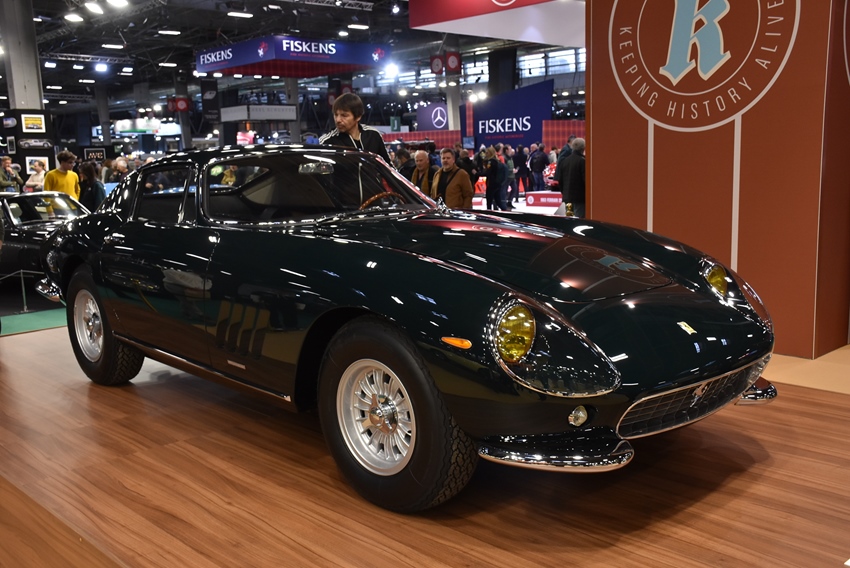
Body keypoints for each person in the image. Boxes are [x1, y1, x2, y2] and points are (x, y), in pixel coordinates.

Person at [319, 92, 392, 164]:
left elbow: (388, 167)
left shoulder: (373, 135)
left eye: (344, 115)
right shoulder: (327, 142)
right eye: (336, 114)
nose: (338, 120)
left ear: (358, 117)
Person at [555, 137, 586, 218]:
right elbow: (585, 180)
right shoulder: (582, 161)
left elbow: (560, 180)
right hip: (579, 198)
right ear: (583, 148)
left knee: (569, 219)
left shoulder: (565, 161)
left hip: (567, 197)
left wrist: (564, 193)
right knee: (579, 219)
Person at [483, 146, 508, 211]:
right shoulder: (497, 161)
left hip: (491, 184)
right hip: (497, 183)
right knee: (498, 201)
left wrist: (477, 173)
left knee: (489, 201)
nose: (486, 154)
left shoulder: (490, 162)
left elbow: (488, 172)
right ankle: (505, 211)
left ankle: (489, 213)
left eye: (487, 153)